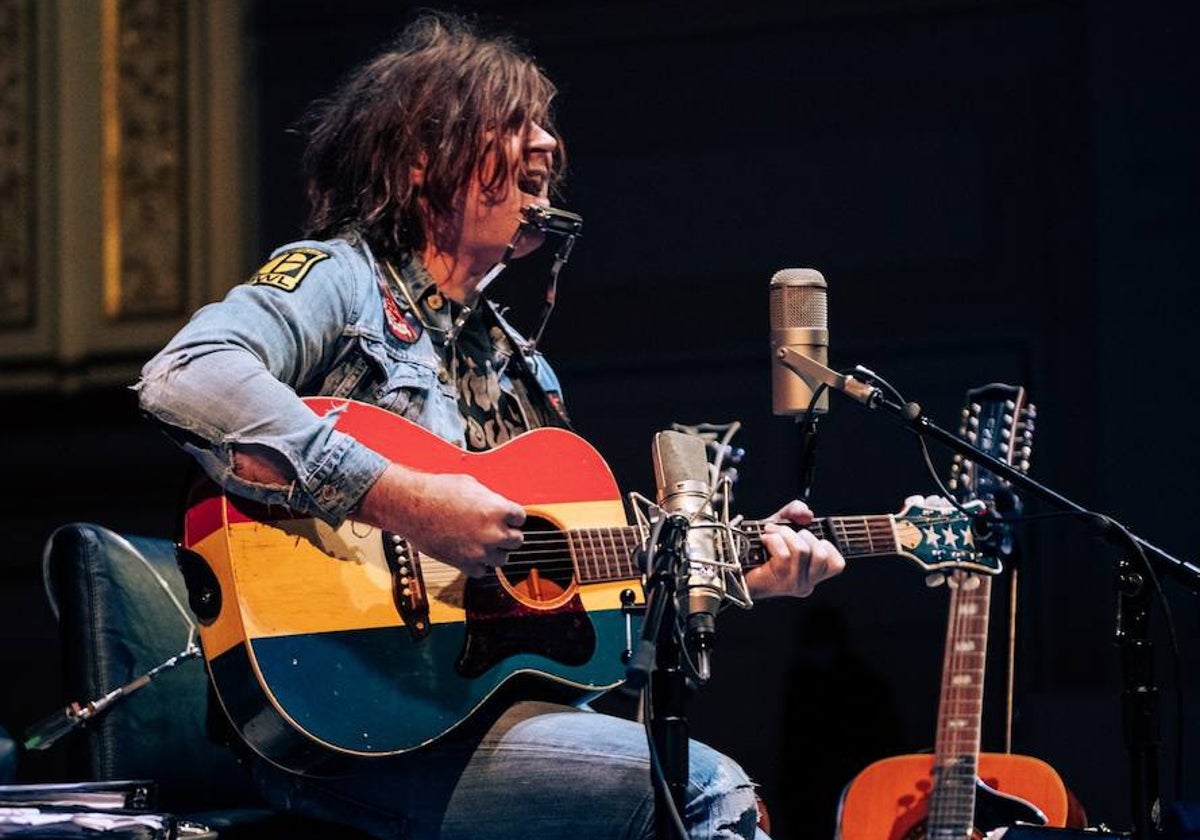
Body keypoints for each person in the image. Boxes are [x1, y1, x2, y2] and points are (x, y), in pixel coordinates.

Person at [136, 11, 845, 840]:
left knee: (680, 775)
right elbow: (186, 373)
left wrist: (726, 576)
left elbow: (572, 613)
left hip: (469, 721)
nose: (546, 144)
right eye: (510, 126)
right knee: (707, 792)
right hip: (342, 733)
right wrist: (403, 498)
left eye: (542, 125)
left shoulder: (520, 366)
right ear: (421, 159)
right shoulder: (340, 279)